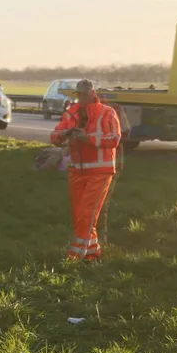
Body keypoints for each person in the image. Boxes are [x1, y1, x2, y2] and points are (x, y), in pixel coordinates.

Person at [50, 79, 122, 261]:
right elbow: (54, 135)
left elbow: (114, 138)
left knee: (87, 213)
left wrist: (88, 138)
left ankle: (76, 255)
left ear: (92, 94)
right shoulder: (71, 113)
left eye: (83, 94)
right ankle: (92, 252)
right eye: (78, 94)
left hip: (101, 171)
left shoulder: (107, 112)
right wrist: (65, 134)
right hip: (77, 171)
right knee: (78, 215)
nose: (80, 98)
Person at [97, 100, 130, 245]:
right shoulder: (80, 111)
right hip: (89, 167)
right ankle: (90, 240)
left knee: (101, 204)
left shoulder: (112, 109)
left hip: (109, 165)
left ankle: (100, 242)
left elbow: (124, 134)